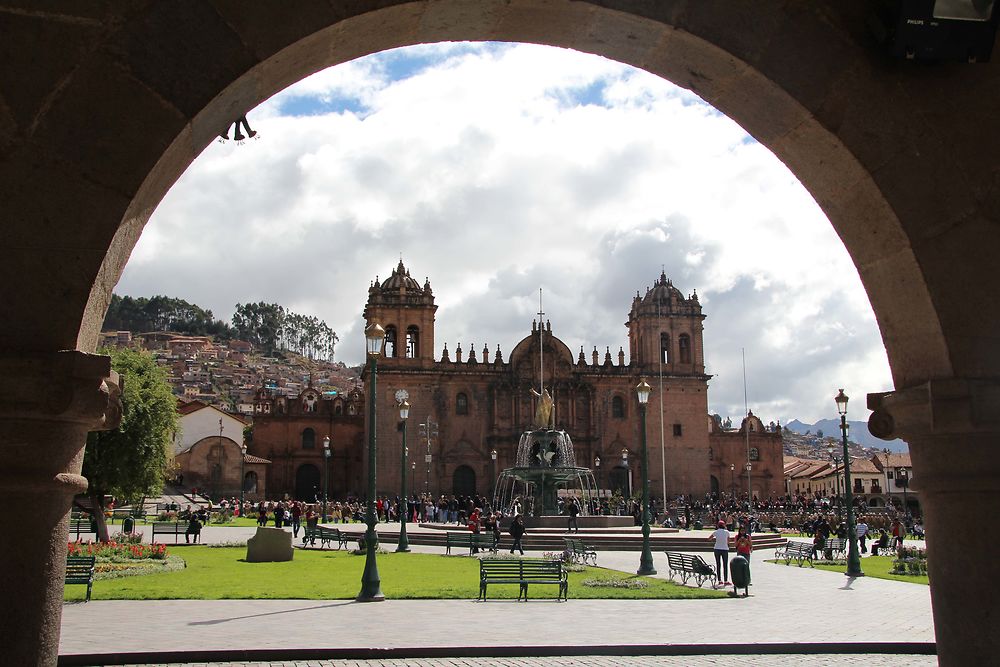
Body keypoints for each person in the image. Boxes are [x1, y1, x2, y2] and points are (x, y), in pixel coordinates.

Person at [708, 520, 731, 586]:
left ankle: (720, 580)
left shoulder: (716, 532)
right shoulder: (727, 532)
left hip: (717, 549)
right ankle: (726, 580)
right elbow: (728, 541)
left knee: (718, 564)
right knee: (725, 565)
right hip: (725, 549)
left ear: (718, 525)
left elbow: (709, 538)